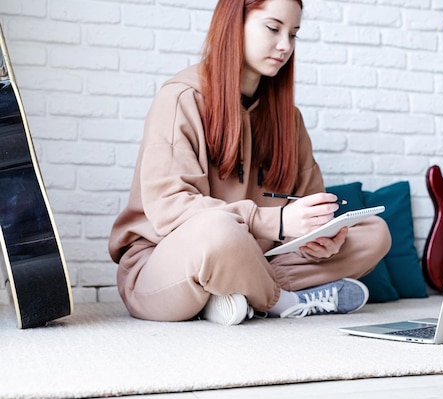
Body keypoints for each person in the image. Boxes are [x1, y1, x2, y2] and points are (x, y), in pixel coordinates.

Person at [108, 0, 392, 325]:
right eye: (273, 28)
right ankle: (281, 301)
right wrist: (277, 222)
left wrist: (320, 237)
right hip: (167, 262)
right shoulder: (181, 98)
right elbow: (171, 208)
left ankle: (233, 293)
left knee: (375, 232)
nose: (285, 45)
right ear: (234, 24)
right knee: (218, 232)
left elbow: (308, 205)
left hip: (257, 258)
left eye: (294, 34)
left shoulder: (290, 120)